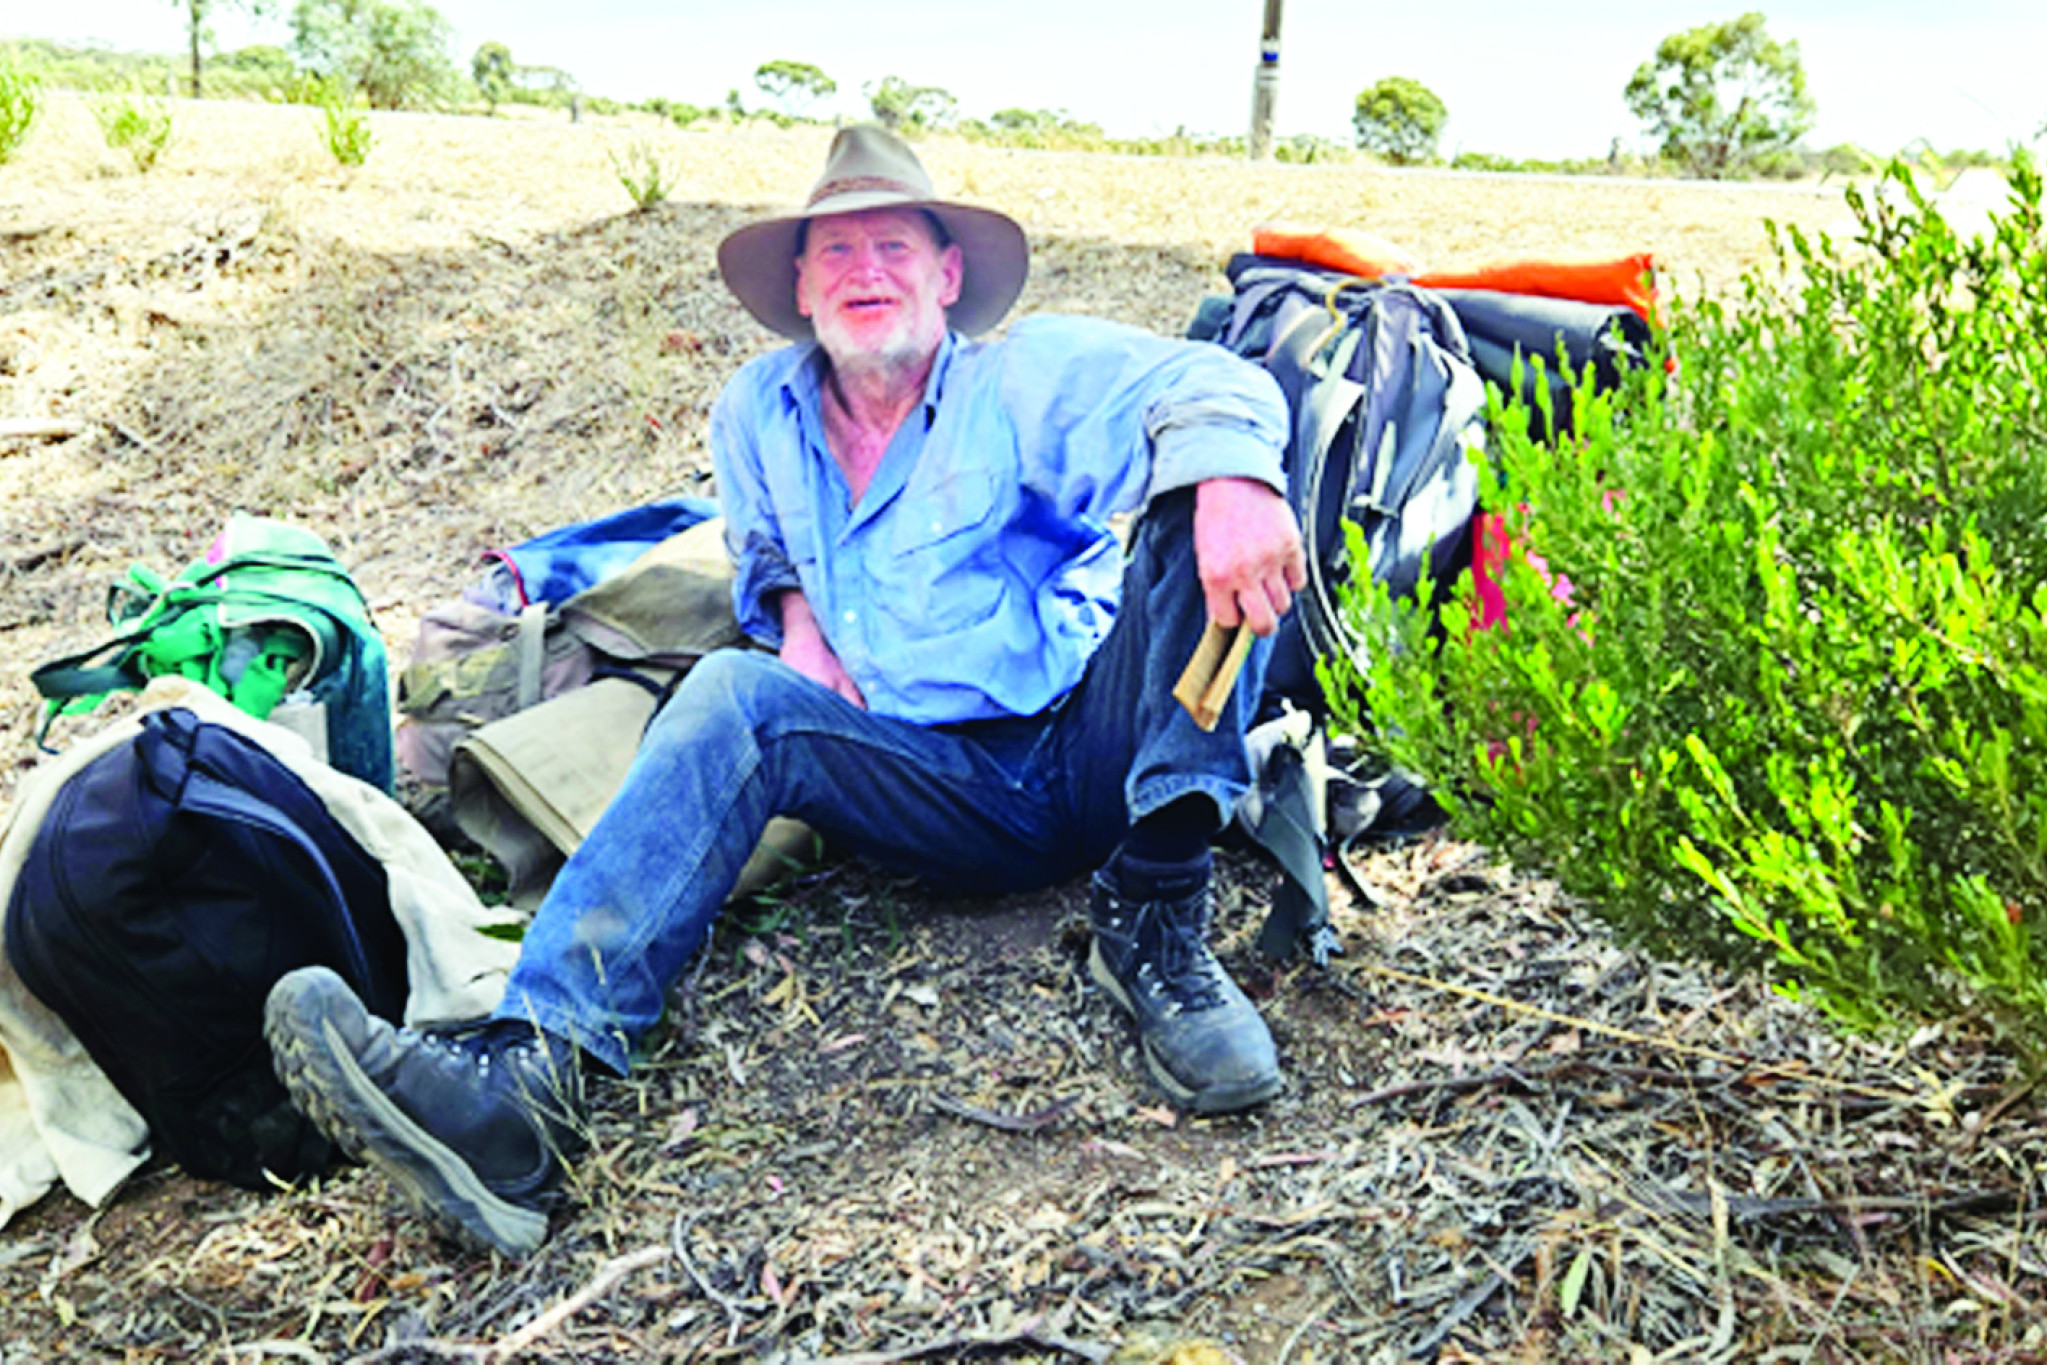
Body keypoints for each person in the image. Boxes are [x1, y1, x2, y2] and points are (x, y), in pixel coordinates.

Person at [264, 125, 1306, 1257]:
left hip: (1089, 749)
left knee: (1205, 489)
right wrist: (800, 625)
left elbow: (1209, 382)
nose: (868, 271)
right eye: (838, 250)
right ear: (801, 287)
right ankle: (529, 1085)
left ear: (948, 277)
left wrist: (1235, 483)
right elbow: (761, 554)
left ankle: (1154, 917)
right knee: (731, 689)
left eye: (896, 246)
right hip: (932, 784)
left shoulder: (1016, 380)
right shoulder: (758, 411)